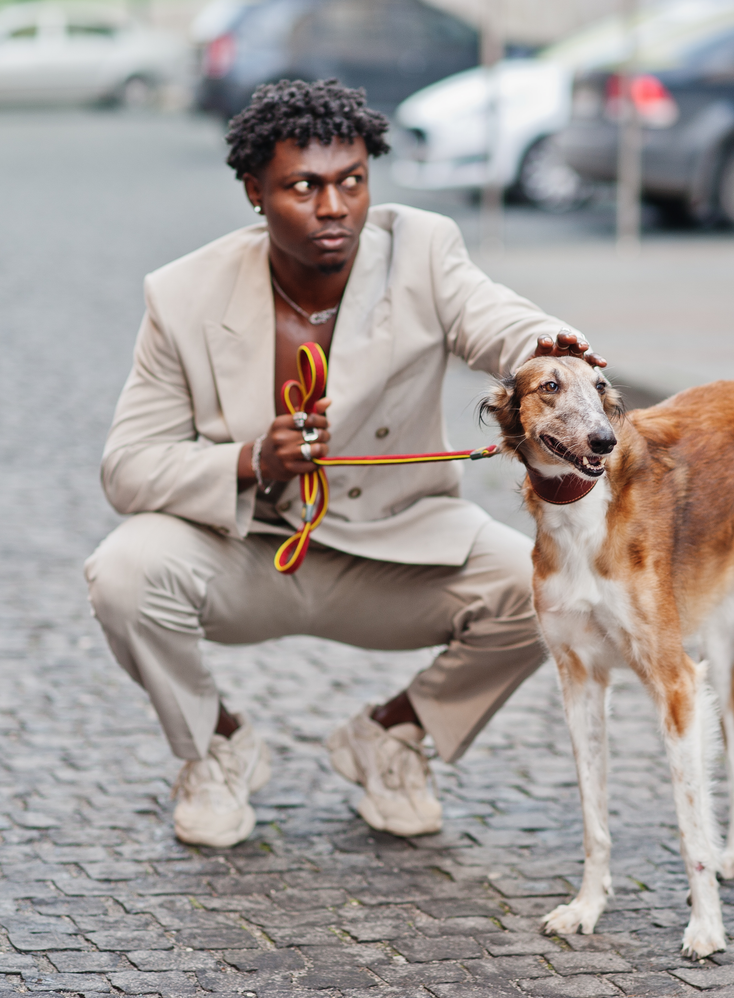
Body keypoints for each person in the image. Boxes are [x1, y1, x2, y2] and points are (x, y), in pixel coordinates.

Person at [84, 79, 605, 849]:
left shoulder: (422, 250)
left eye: (352, 181)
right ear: (254, 191)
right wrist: (251, 458)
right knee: (122, 574)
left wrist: (547, 348)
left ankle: (391, 736)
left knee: (550, 591)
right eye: (303, 187)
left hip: (397, 546)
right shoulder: (183, 295)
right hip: (247, 551)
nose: (334, 207)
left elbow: (497, 318)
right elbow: (127, 466)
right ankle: (215, 746)